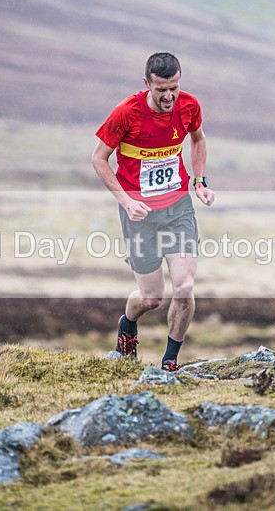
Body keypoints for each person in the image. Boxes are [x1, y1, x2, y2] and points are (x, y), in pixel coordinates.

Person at [91, 52, 215, 372]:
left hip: (177, 208)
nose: (169, 96)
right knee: (151, 298)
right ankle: (128, 325)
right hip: (139, 215)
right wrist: (127, 201)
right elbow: (99, 159)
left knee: (185, 286)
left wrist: (200, 181)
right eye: (161, 89)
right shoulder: (126, 113)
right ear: (147, 84)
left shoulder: (189, 105)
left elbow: (198, 139)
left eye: (174, 87)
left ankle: (170, 361)